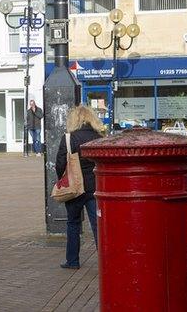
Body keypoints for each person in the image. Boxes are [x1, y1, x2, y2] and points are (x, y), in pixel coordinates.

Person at [55, 105, 104, 269]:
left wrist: (61, 179)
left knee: (73, 223)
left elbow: (60, 163)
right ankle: (105, 261)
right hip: (95, 186)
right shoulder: (99, 137)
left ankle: (72, 261)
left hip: (75, 187)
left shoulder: (69, 138)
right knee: (97, 225)